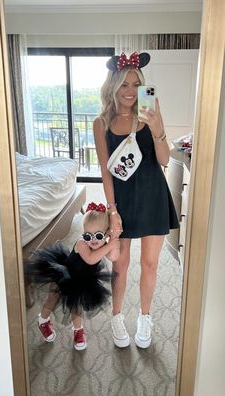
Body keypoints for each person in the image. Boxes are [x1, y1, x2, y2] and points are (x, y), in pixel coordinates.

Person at [93, 52, 179, 349]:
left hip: (153, 195)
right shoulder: (100, 122)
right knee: (120, 265)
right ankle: (117, 317)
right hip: (124, 202)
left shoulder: (151, 110)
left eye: (135, 83)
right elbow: (106, 173)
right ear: (112, 86)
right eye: (123, 84)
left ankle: (145, 316)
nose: (130, 90)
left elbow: (165, 159)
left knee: (151, 264)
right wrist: (112, 211)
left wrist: (156, 129)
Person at [26, 202, 120, 351]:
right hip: (65, 276)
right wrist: (109, 244)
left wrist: (115, 240)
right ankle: (42, 320)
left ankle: (78, 331)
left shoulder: (104, 242)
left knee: (76, 306)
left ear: (106, 233)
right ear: (83, 233)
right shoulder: (82, 244)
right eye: (88, 235)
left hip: (83, 280)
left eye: (99, 235)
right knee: (52, 299)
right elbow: (90, 259)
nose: (93, 240)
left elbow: (114, 257)